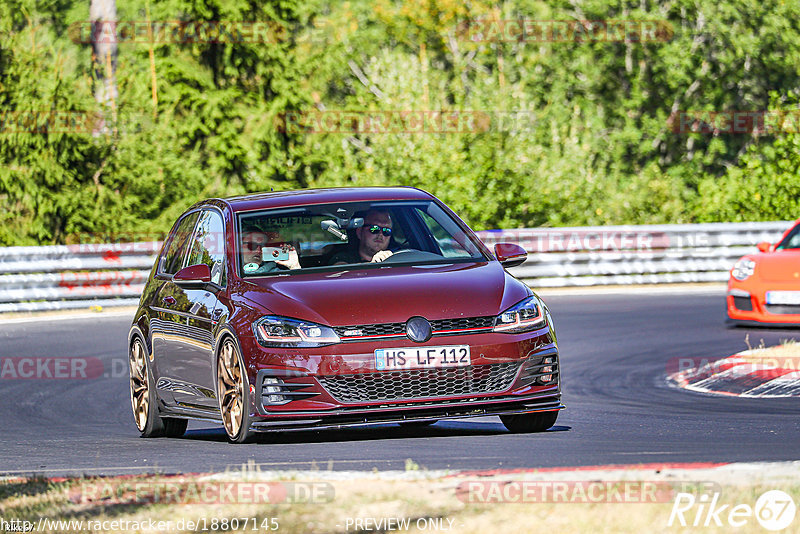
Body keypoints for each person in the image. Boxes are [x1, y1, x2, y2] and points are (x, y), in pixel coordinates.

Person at [330, 209, 395, 264]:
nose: (380, 234)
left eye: (386, 230)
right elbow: (340, 276)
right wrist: (373, 265)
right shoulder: (344, 258)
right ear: (359, 232)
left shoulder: (398, 256)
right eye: (374, 228)